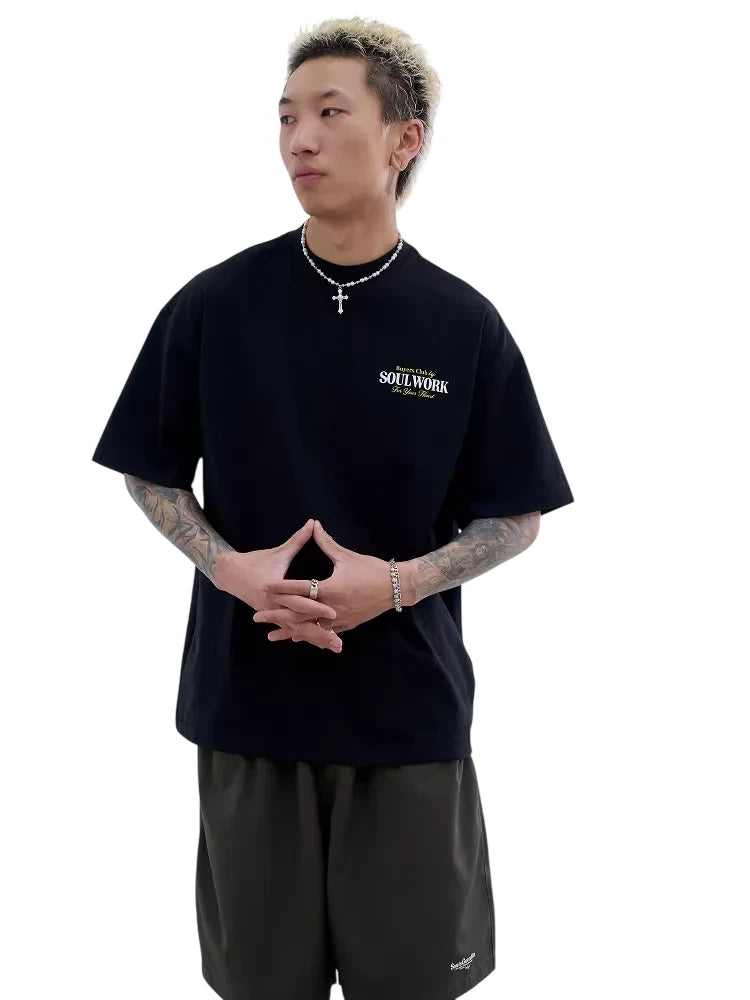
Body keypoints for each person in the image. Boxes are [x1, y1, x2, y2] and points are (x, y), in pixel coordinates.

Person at [91, 16, 574, 1000]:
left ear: (404, 139)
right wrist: (229, 567)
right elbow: (148, 468)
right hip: (248, 709)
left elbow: (515, 516)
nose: (299, 140)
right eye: (285, 117)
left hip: (405, 720)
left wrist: (393, 585)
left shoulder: (462, 324)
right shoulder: (215, 305)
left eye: (328, 112)